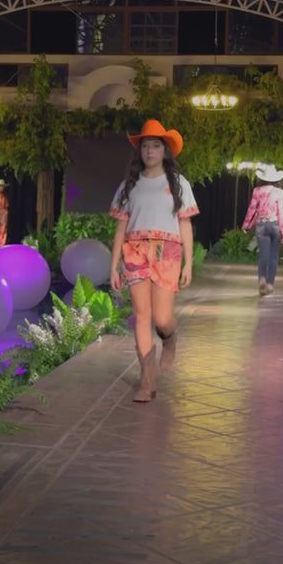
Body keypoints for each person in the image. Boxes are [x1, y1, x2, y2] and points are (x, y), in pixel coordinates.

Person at [109, 119, 199, 403]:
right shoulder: (129, 186)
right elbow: (120, 228)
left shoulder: (178, 183)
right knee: (141, 314)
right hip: (134, 250)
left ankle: (170, 338)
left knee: (161, 318)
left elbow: (185, 224)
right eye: (145, 146)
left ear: (164, 150)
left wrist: (188, 262)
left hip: (167, 252)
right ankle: (147, 380)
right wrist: (113, 265)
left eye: (156, 145)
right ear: (140, 151)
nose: (150, 151)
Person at [242, 164, 283, 296]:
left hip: (261, 225)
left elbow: (252, 209)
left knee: (263, 254)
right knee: (273, 256)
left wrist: (246, 225)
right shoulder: (279, 192)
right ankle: (270, 284)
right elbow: (281, 212)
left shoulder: (257, 191)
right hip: (274, 224)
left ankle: (262, 278)